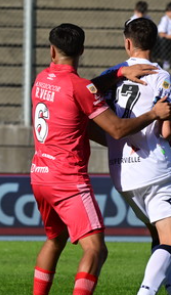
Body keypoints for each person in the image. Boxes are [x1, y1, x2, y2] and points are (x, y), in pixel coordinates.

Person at [30, 23, 171, 295]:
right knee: (95, 249)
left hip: (39, 173)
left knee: (54, 239)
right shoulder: (80, 88)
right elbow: (117, 129)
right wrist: (153, 114)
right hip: (68, 179)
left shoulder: (41, 80)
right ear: (82, 50)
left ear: (51, 50)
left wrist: (118, 72)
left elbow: (86, 96)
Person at [99, 18, 171, 295]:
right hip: (155, 169)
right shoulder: (162, 78)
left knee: (159, 235)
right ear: (156, 43)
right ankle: (146, 292)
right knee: (168, 239)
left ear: (127, 43)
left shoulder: (111, 77)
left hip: (122, 174)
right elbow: (166, 131)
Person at [156, 2, 171, 69]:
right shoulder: (165, 19)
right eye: (168, 11)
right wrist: (168, 36)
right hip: (167, 40)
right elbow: (161, 33)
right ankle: (166, 60)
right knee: (163, 40)